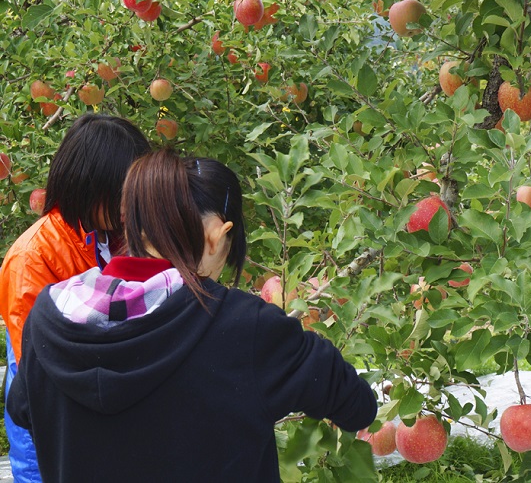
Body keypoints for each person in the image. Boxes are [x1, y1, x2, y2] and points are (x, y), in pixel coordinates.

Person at [7, 149, 378, 482]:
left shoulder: (47, 316)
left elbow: (23, 410)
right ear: (218, 235)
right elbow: (356, 405)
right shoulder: (247, 328)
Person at [0, 113, 152, 483]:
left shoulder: (114, 234)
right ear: (89, 187)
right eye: (122, 194)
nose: (128, 205)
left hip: (101, 401)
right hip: (48, 411)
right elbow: (42, 367)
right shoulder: (32, 258)